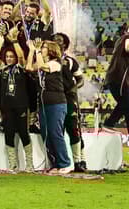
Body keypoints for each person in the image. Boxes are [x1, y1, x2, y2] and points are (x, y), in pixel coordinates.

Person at [26, 40, 71, 173]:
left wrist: (37, 51)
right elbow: (29, 67)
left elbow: (42, 67)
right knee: (46, 133)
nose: (42, 49)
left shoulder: (55, 63)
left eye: (44, 47)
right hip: (45, 103)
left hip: (57, 102)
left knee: (55, 133)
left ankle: (64, 163)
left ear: (51, 50)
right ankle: (55, 163)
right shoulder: (43, 62)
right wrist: (31, 50)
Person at [0, 36, 32, 172]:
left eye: (11, 56)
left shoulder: (20, 68)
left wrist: (14, 42)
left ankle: (30, 164)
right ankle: (13, 165)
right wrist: (1, 41)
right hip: (7, 107)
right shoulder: (3, 69)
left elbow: (21, 57)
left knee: (23, 133)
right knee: (8, 134)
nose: (9, 58)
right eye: (7, 56)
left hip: (21, 105)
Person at [54, 33, 86, 172]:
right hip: (54, 101)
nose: (56, 42)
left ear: (65, 45)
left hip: (69, 100)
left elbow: (81, 80)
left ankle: (79, 162)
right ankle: (59, 161)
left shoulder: (70, 61)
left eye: (59, 41)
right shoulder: (45, 61)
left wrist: (73, 89)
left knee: (73, 129)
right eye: (53, 40)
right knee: (57, 132)